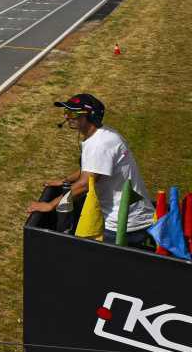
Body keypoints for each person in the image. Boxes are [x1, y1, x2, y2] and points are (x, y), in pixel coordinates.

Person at [27, 93, 155, 246]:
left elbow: (86, 183)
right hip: (126, 217)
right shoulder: (103, 135)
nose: (68, 117)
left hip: (123, 225)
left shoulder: (100, 144)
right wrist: (64, 181)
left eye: (73, 113)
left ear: (90, 116)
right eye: (66, 112)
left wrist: (50, 205)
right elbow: (89, 169)